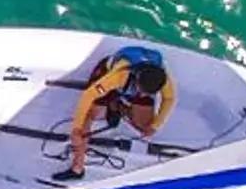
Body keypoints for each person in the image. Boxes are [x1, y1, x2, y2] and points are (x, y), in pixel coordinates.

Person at [64, 44, 174, 176]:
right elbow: (88, 95)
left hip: (131, 87)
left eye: (148, 93)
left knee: (144, 126)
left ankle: (117, 106)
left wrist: (155, 126)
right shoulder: (119, 76)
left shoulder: (162, 79)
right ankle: (77, 168)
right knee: (89, 116)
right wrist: (76, 128)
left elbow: (169, 98)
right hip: (110, 78)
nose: (144, 96)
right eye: (143, 91)